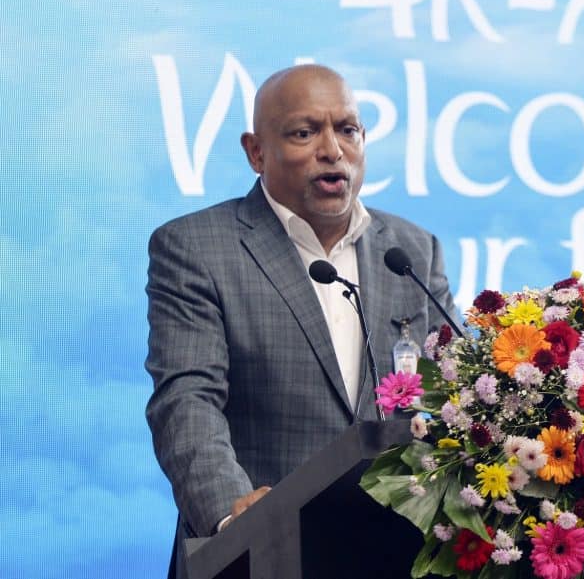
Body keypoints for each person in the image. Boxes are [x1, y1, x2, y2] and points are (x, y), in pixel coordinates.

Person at [145, 64, 458, 576]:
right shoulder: (197, 248)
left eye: (347, 130)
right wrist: (232, 508)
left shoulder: (412, 252)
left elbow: (452, 394)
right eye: (305, 132)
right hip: (262, 554)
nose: (333, 149)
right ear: (256, 151)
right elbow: (187, 398)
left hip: (394, 551)